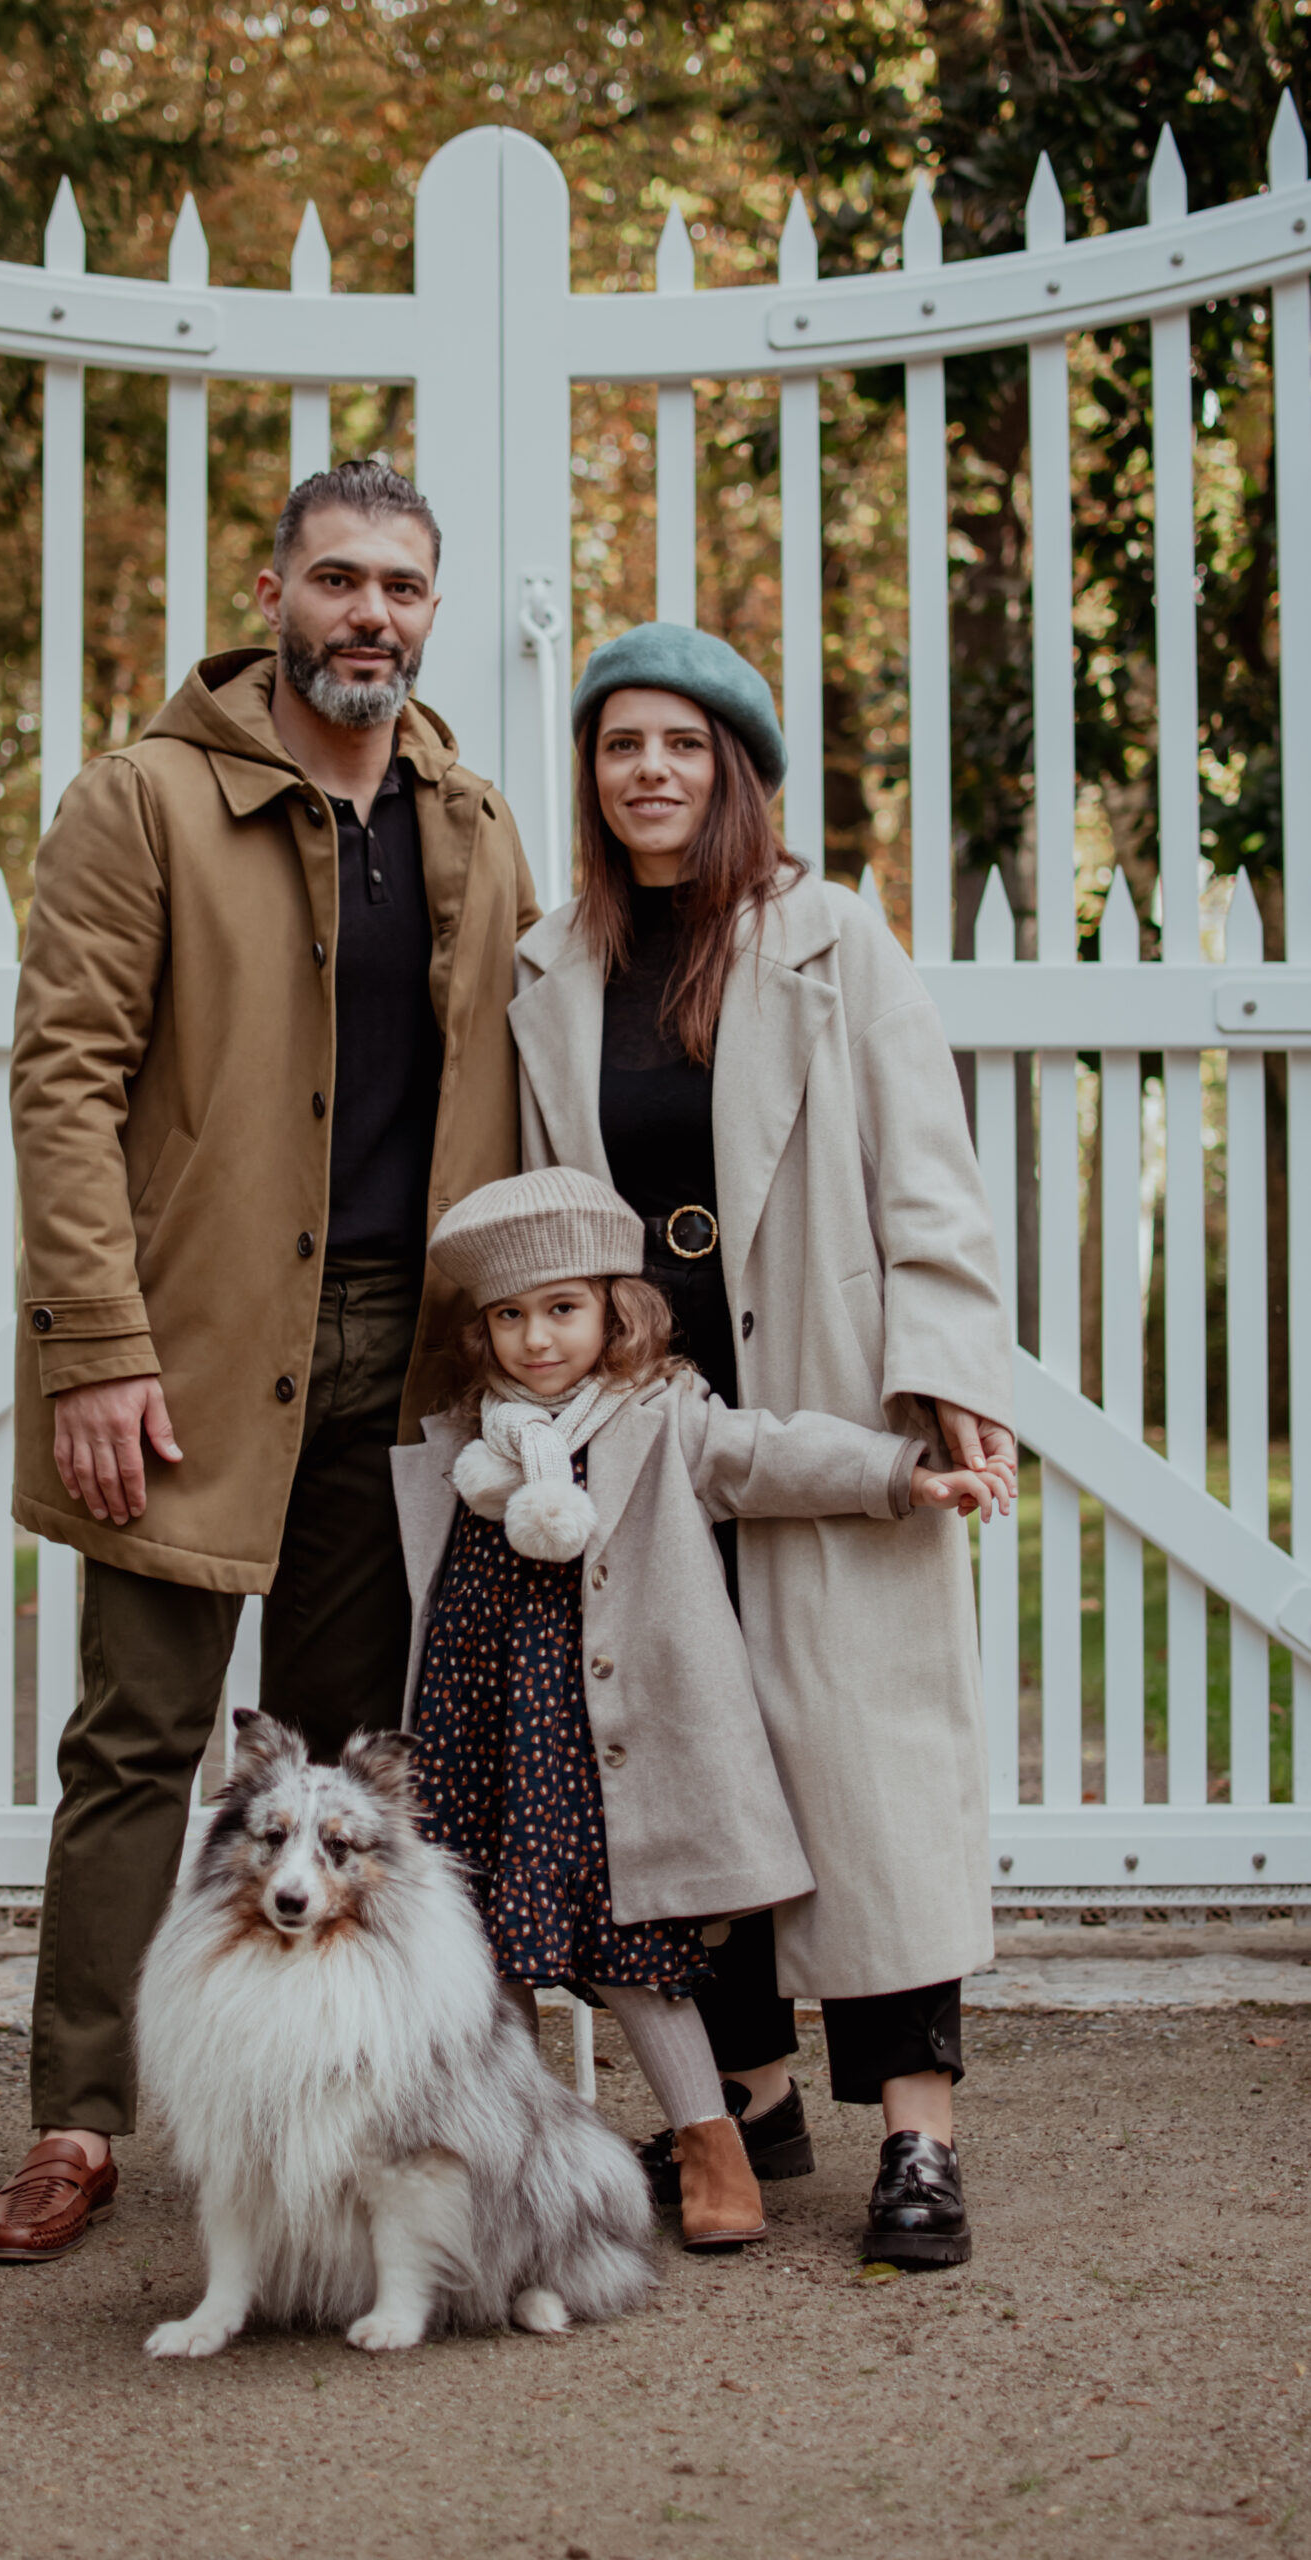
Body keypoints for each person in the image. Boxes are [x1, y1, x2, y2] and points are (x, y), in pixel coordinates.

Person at [0, 461, 539, 2262]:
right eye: (337, 580)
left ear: (431, 612)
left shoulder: (470, 820)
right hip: (191, 1345)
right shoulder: (142, 801)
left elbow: (524, 1080)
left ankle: (322, 2108)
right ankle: (78, 2120)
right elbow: (62, 1079)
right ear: (275, 592)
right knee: (138, 1740)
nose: (370, 613)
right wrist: (93, 1346)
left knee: (341, 1770)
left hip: (396, 1360)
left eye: (401, 587)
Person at [508, 625, 1017, 2269]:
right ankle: (749, 2099)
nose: (645, 769)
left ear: (737, 769)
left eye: (679, 742)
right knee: (678, 1753)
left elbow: (927, 1181)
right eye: (615, 745)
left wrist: (945, 1372)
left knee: (864, 1773)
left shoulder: (828, 939)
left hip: (825, 1390)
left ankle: (917, 2142)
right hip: (646, 1433)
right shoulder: (553, 966)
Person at [391, 1167, 1012, 2256]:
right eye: (511, 1317)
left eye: (564, 1309)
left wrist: (905, 1474)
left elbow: (770, 1454)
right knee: (476, 1950)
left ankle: (712, 2140)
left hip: (603, 1746)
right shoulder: (469, 1442)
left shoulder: (661, 1415)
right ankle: (507, 2159)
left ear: (615, 1309)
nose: (538, 1340)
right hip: (483, 1729)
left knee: (637, 1944)